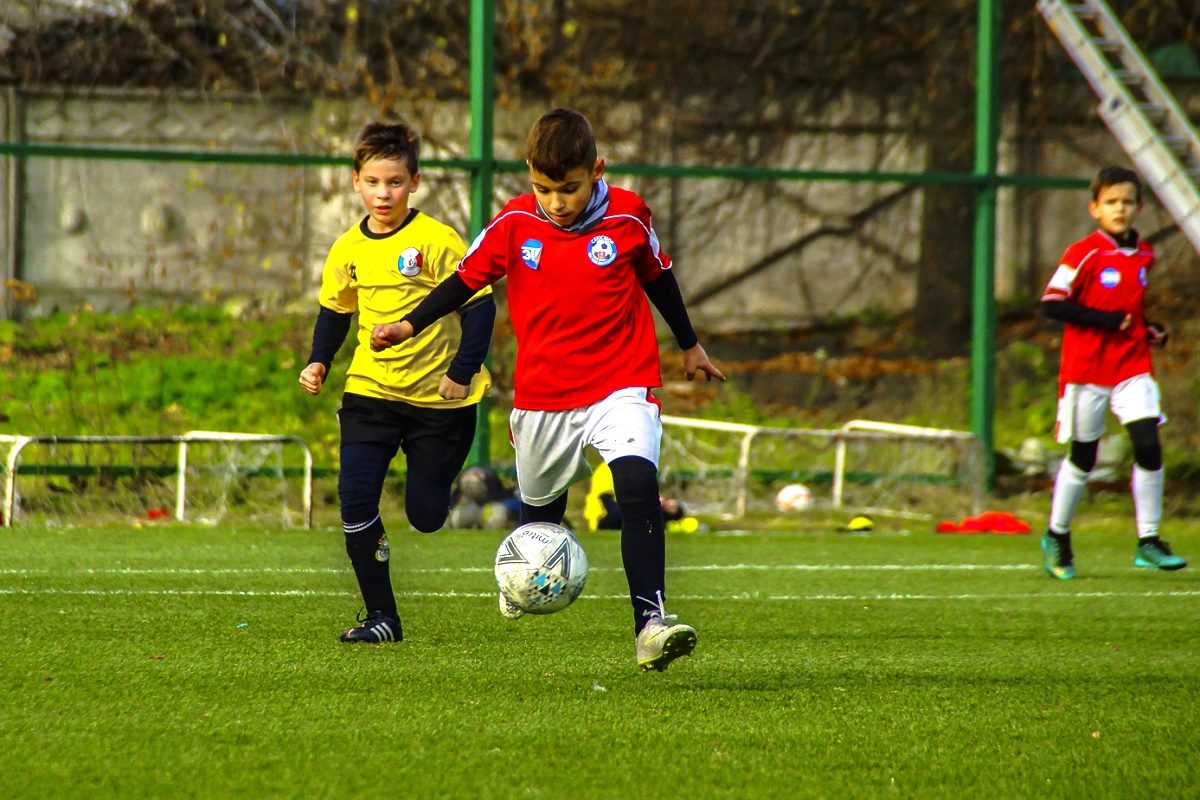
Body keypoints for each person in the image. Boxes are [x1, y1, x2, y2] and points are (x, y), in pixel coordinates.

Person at [369, 108, 725, 671]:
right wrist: (408, 324)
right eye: (543, 188)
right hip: (543, 395)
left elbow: (659, 276)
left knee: (637, 483)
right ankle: (519, 573)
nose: (556, 202)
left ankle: (651, 624)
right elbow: (463, 280)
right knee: (541, 520)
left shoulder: (629, 216)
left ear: (597, 170)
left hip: (621, 381)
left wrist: (689, 344)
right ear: (528, 175)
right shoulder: (514, 224)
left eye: (569, 189)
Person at [298, 121, 495, 642]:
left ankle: (438, 483)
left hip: (440, 401)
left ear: (415, 182)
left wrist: (461, 373)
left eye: (395, 182)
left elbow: (479, 308)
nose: (384, 193)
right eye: (373, 182)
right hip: (371, 393)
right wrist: (320, 360)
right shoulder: (347, 249)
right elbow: (334, 312)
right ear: (356, 183)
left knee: (426, 515)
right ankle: (382, 616)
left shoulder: (437, 241)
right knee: (355, 500)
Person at [1039, 165, 1185, 580]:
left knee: (1148, 445)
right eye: (1110, 202)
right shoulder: (1081, 253)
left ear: (1139, 207)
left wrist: (1147, 328)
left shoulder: (1143, 254)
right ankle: (1057, 535)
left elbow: (1128, 309)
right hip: (1086, 371)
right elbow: (1052, 303)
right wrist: (1106, 322)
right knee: (1083, 459)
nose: (1119, 209)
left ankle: (1149, 540)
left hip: (1131, 366)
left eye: (1126, 202)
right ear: (1094, 208)